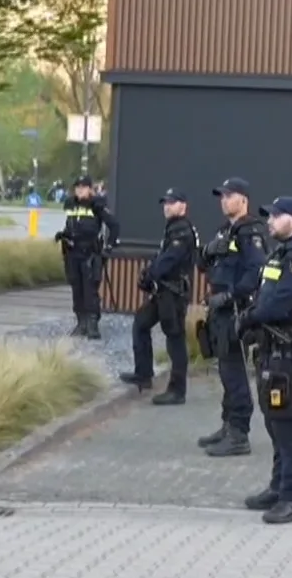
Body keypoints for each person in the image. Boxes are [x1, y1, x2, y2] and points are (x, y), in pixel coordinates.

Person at [236, 196, 292, 525]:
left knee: (287, 420)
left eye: (277, 216)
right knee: (274, 419)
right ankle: (277, 485)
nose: (270, 221)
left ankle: (291, 497)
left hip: (288, 347)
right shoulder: (281, 254)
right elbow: (265, 295)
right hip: (271, 345)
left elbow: (281, 304)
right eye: (269, 216)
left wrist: (249, 317)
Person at [196, 177, 269, 456]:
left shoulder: (250, 233)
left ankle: (239, 434)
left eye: (230, 195)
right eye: (222, 196)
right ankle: (228, 425)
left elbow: (256, 272)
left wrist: (230, 297)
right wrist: (206, 252)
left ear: (244, 200)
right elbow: (202, 263)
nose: (224, 200)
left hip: (236, 311)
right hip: (218, 311)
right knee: (225, 372)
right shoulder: (223, 231)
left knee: (235, 373)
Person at [123, 188, 199, 406]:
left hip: (173, 293)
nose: (167, 206)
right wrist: (149, 275)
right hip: (163, 291)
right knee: (141, 323)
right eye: (165, 202)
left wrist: (150, 274)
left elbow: (169, 260)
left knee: (174, 338)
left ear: (183, 206)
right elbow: (162, 257)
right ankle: (144, 374)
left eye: (172, 202)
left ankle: (177, 390)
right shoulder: (173, 228)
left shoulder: (182, 231)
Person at [53, 175, 119, 339]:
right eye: (77, 187)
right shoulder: (72, 205)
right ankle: (81, 322)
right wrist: (64, 234)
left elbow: (114, 226)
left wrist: (109, 248)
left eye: (83, 187)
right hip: (73, 253)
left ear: (90, 189)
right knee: (77, 288)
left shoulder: (97, 205)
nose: (80, 190)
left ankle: (92, 324)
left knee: (90, 290)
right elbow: (72, 226)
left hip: (90, 253)